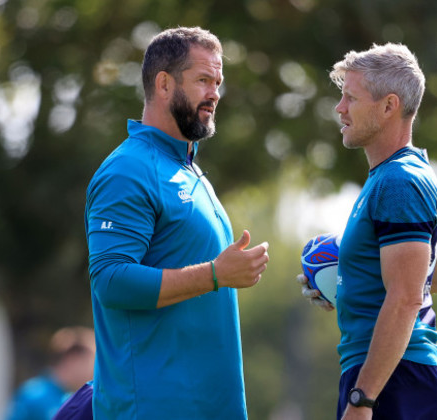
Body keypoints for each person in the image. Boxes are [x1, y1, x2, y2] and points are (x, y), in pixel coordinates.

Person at [83, 26, 269, 419]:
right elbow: (111, 280)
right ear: (164, 84)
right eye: (203, 80)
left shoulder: (189, 170)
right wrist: (216, 274)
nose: (215, 93)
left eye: (217, 82)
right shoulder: (128, 170)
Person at [297, 43, 437, 420]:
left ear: (388, 106)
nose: (340, 108)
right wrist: (348, 284)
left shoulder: (399, 181)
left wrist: (362, 399)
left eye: (351, 97)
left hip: (391, 380)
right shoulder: (397, 175)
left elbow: (406, 298)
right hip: (389, 374)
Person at [5, 327, 96, 420]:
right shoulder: (33, 394)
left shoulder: (71, 397)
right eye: (90, 362)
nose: (93, 370)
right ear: (74, 359)